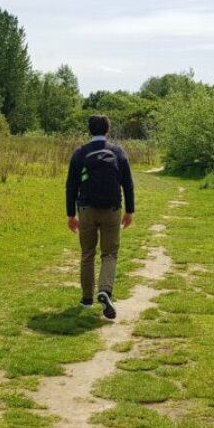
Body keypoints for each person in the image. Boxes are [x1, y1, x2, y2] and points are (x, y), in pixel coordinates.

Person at [65, 114, 134, 320]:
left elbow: (71, 185)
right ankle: (105, 291)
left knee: (87, 253)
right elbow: (128, 184)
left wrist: (70, 214)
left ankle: (87, 299)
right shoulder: (118, 152)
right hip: (112, 210)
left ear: (89, 130)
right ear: (107, 130)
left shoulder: (80, 153)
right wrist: (129, 210)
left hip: (86, 209)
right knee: (109, 253)